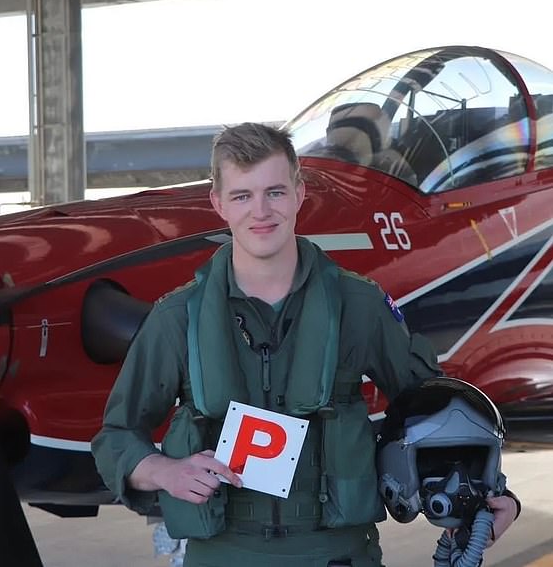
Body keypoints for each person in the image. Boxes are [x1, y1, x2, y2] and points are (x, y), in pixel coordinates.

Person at [91, 122, 519, 567]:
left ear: (299, 193)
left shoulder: (359, 304)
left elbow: (437, 410)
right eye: (242, 195)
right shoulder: (178, 318)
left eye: (275, 192)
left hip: (336, 554)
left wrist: (491, 495)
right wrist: (164, 470)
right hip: (223, 555)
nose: (261, 211)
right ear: (218, 204)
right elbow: (115, 436)